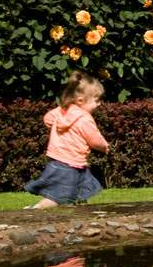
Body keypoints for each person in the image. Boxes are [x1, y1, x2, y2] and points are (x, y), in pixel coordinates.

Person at [24, 72, 108, 209]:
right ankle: (35, 211)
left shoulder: (62, 111)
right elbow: (94, 139)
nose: (99, 104)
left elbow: (47, 119)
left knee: (81, 189)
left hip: (59, 160)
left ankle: (81, 213)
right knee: (58, 196)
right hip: (70, 162)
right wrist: (104, 146)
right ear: (80, 100)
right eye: (96, 100)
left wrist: (58, 123)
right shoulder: (84, 118)